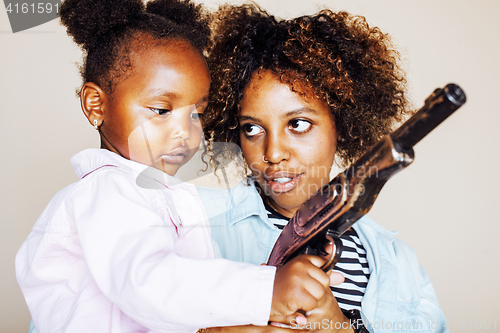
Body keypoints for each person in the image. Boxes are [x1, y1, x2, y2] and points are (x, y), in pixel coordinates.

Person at [15, 0, 336, 332]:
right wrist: (264, 289)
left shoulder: (164, 198)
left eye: (196, 112)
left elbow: (191, 301)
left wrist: (268, 299)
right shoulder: (106, 192)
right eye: (161, 110)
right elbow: (150, 284)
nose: (186, 130)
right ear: (96, 104)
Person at [200, 4, 448, 332]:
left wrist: (338, 327)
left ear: (341, 126)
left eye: (298, 123)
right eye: (252, 129)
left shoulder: (396, 262)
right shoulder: (194, 224)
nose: (273, 153)